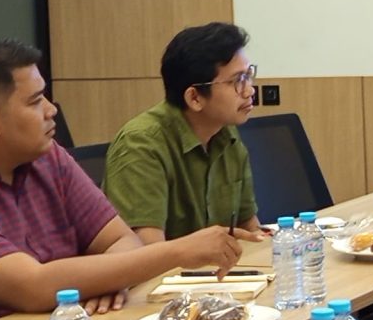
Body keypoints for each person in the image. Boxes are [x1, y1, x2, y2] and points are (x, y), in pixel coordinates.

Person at [0, 37, 240, 320]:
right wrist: (178, 251)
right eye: (35, 101)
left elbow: (122, 241)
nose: (52, 110)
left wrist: (105, 279)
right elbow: (33, 287)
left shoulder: (47, 158)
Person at [104, 21, 270, 246]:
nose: (249, 90)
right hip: (168, 270)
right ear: (195, 97)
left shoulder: (226, 134)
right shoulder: (140, 144)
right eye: (237, 81)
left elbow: (248, 228)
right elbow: (146, 253)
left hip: (220, 267)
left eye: (248, 76)